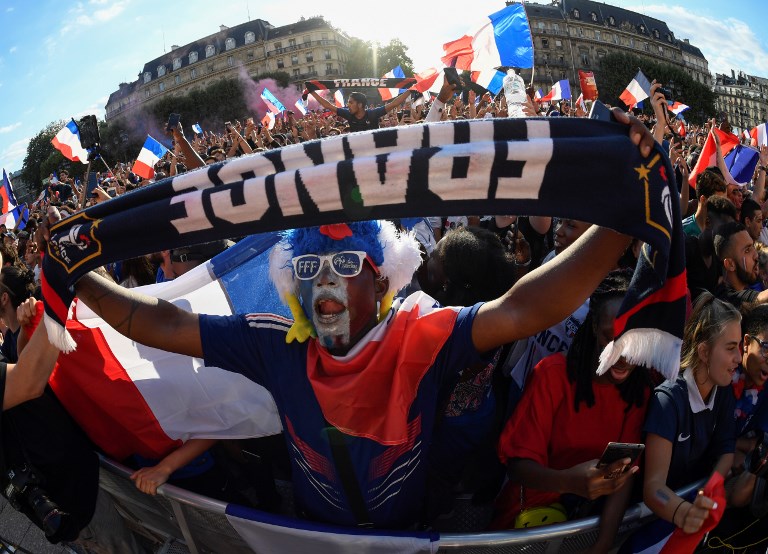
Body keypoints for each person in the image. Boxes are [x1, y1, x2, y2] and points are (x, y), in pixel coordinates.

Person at [67, 114, 656, 529]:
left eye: (346, 263)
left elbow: (526, 307)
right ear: (293, 283)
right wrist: (77, 273)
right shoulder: (276, 347)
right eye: (311, 266)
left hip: (406, 530)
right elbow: (164, 326)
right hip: (314, 532)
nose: (325, 279)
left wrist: (626, 216)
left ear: (381, 280)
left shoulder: (425, 338)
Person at [492, 270, 652, 553]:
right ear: (593, 327)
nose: (624, 354)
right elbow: (517, 466)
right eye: (610, 338)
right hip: (526, 526)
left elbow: (625, 471)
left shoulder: (638, 392)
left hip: (586, 528)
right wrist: (570, 482)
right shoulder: (552, 376)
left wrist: (603, 542)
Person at [640, 294, 756, 540]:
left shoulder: (722, 390)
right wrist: (684, 512)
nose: (738, 358)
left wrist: (709, 489)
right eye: (730, 348)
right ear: (704, 351)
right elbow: (653, 489)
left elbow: (726, 451)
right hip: (650, 525)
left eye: (739, 347)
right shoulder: (668, 401)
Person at [713, 221, 768, 307]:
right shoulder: (724, 300)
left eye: (753, 246)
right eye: (747, 250)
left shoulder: (746, 285)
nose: (756, 255)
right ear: (730, 264)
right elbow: (759, 298)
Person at [309, 88, 411, 133]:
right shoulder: (348, 114)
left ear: (360, 105)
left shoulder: (373, 114)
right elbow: (328, 105)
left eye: (351, 102)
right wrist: (312, 92)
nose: (347, 105)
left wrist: (411, 90)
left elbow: (394, 103)